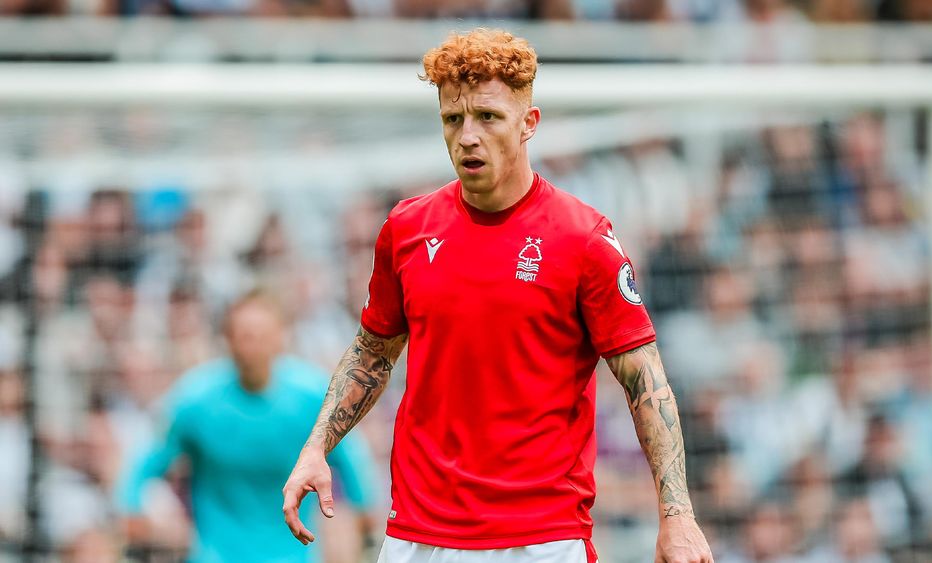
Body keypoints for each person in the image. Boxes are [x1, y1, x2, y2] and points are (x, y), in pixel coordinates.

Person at [283, 28, 714, 563]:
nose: (468, 136)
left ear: (529, 124)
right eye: (452, 119)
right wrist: (316, 447)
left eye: (488, 117)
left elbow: (645, 379)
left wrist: (678, 518)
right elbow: (373, 352)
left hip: (542, 538)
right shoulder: (406, 228)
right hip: (419, 535)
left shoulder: (584, 239)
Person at [118, 289, 378, 562]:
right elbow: (147, 461)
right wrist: (131, 509)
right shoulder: (195, 401)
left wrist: (365, 516)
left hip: (292, 555)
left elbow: (352, 461)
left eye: (261, 335)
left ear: (280, 337)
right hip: (215, 555)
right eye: (244, 336)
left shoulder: (312, 400)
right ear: (228, 340)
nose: (252, 345)